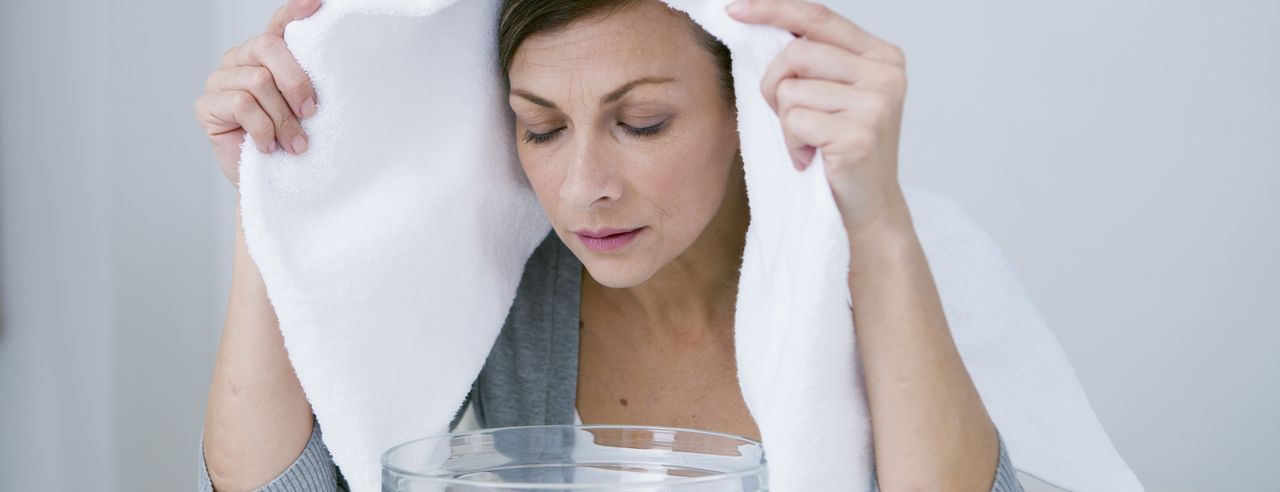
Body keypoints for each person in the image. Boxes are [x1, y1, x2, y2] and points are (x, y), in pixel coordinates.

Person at [193, 0, 1024, 490]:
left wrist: (875, 224)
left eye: (642, 123)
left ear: (745, 107)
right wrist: (273, 196)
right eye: (542, 128)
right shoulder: (498, 283)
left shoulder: (893, 265)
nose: (585, 185)